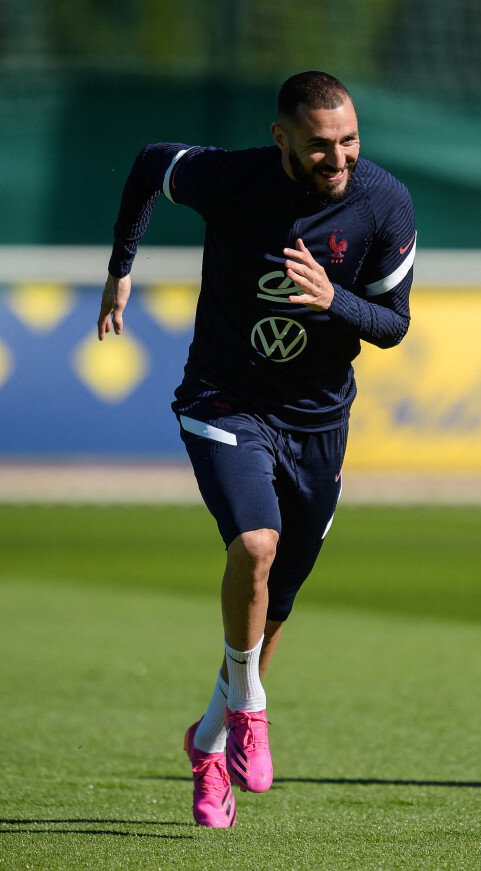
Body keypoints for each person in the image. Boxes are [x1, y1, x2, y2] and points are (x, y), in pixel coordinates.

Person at [97, 70, 416, 828]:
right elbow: (149, 164)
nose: (337, 159)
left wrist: (333, 300)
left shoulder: (384, 202)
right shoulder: (232, 178)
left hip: (319, 420)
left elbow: (394, 323)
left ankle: (209, 742)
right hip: (224, 398)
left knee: (274, 607)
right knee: (255, 543)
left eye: (348, 142)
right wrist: (121, 268)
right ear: (281, 139)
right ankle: (250, 710)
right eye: (318, 147)